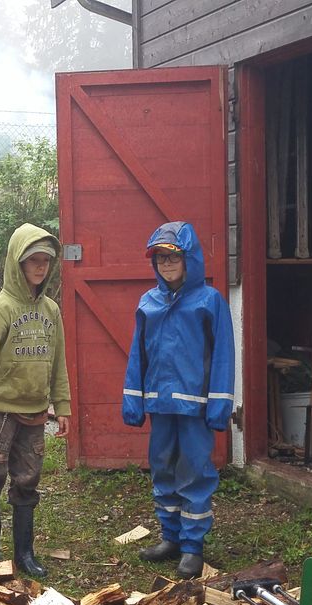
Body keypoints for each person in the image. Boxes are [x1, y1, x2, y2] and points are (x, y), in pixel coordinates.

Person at [122, 221, 235, 579]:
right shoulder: (148, 302)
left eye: (173, 257)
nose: (167, 264)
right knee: (162, 467)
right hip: (160, 403)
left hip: (194, 406)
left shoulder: (209, 301)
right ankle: (170, 537)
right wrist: (133, 398)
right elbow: (137, 354)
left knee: (194, 471)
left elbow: (223, 355)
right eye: (160, 259)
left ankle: (192, 546)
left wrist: (219, 403)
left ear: (189, 259)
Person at [0, 223, 72, 578]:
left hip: (35, 414)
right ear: (17, 262)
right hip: (0, 414)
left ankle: (25, 553)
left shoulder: (51, 311)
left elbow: (58, 362)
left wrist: (62, 406)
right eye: (33, 261)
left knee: (27, 481)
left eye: (46, 261)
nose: (40, 267)